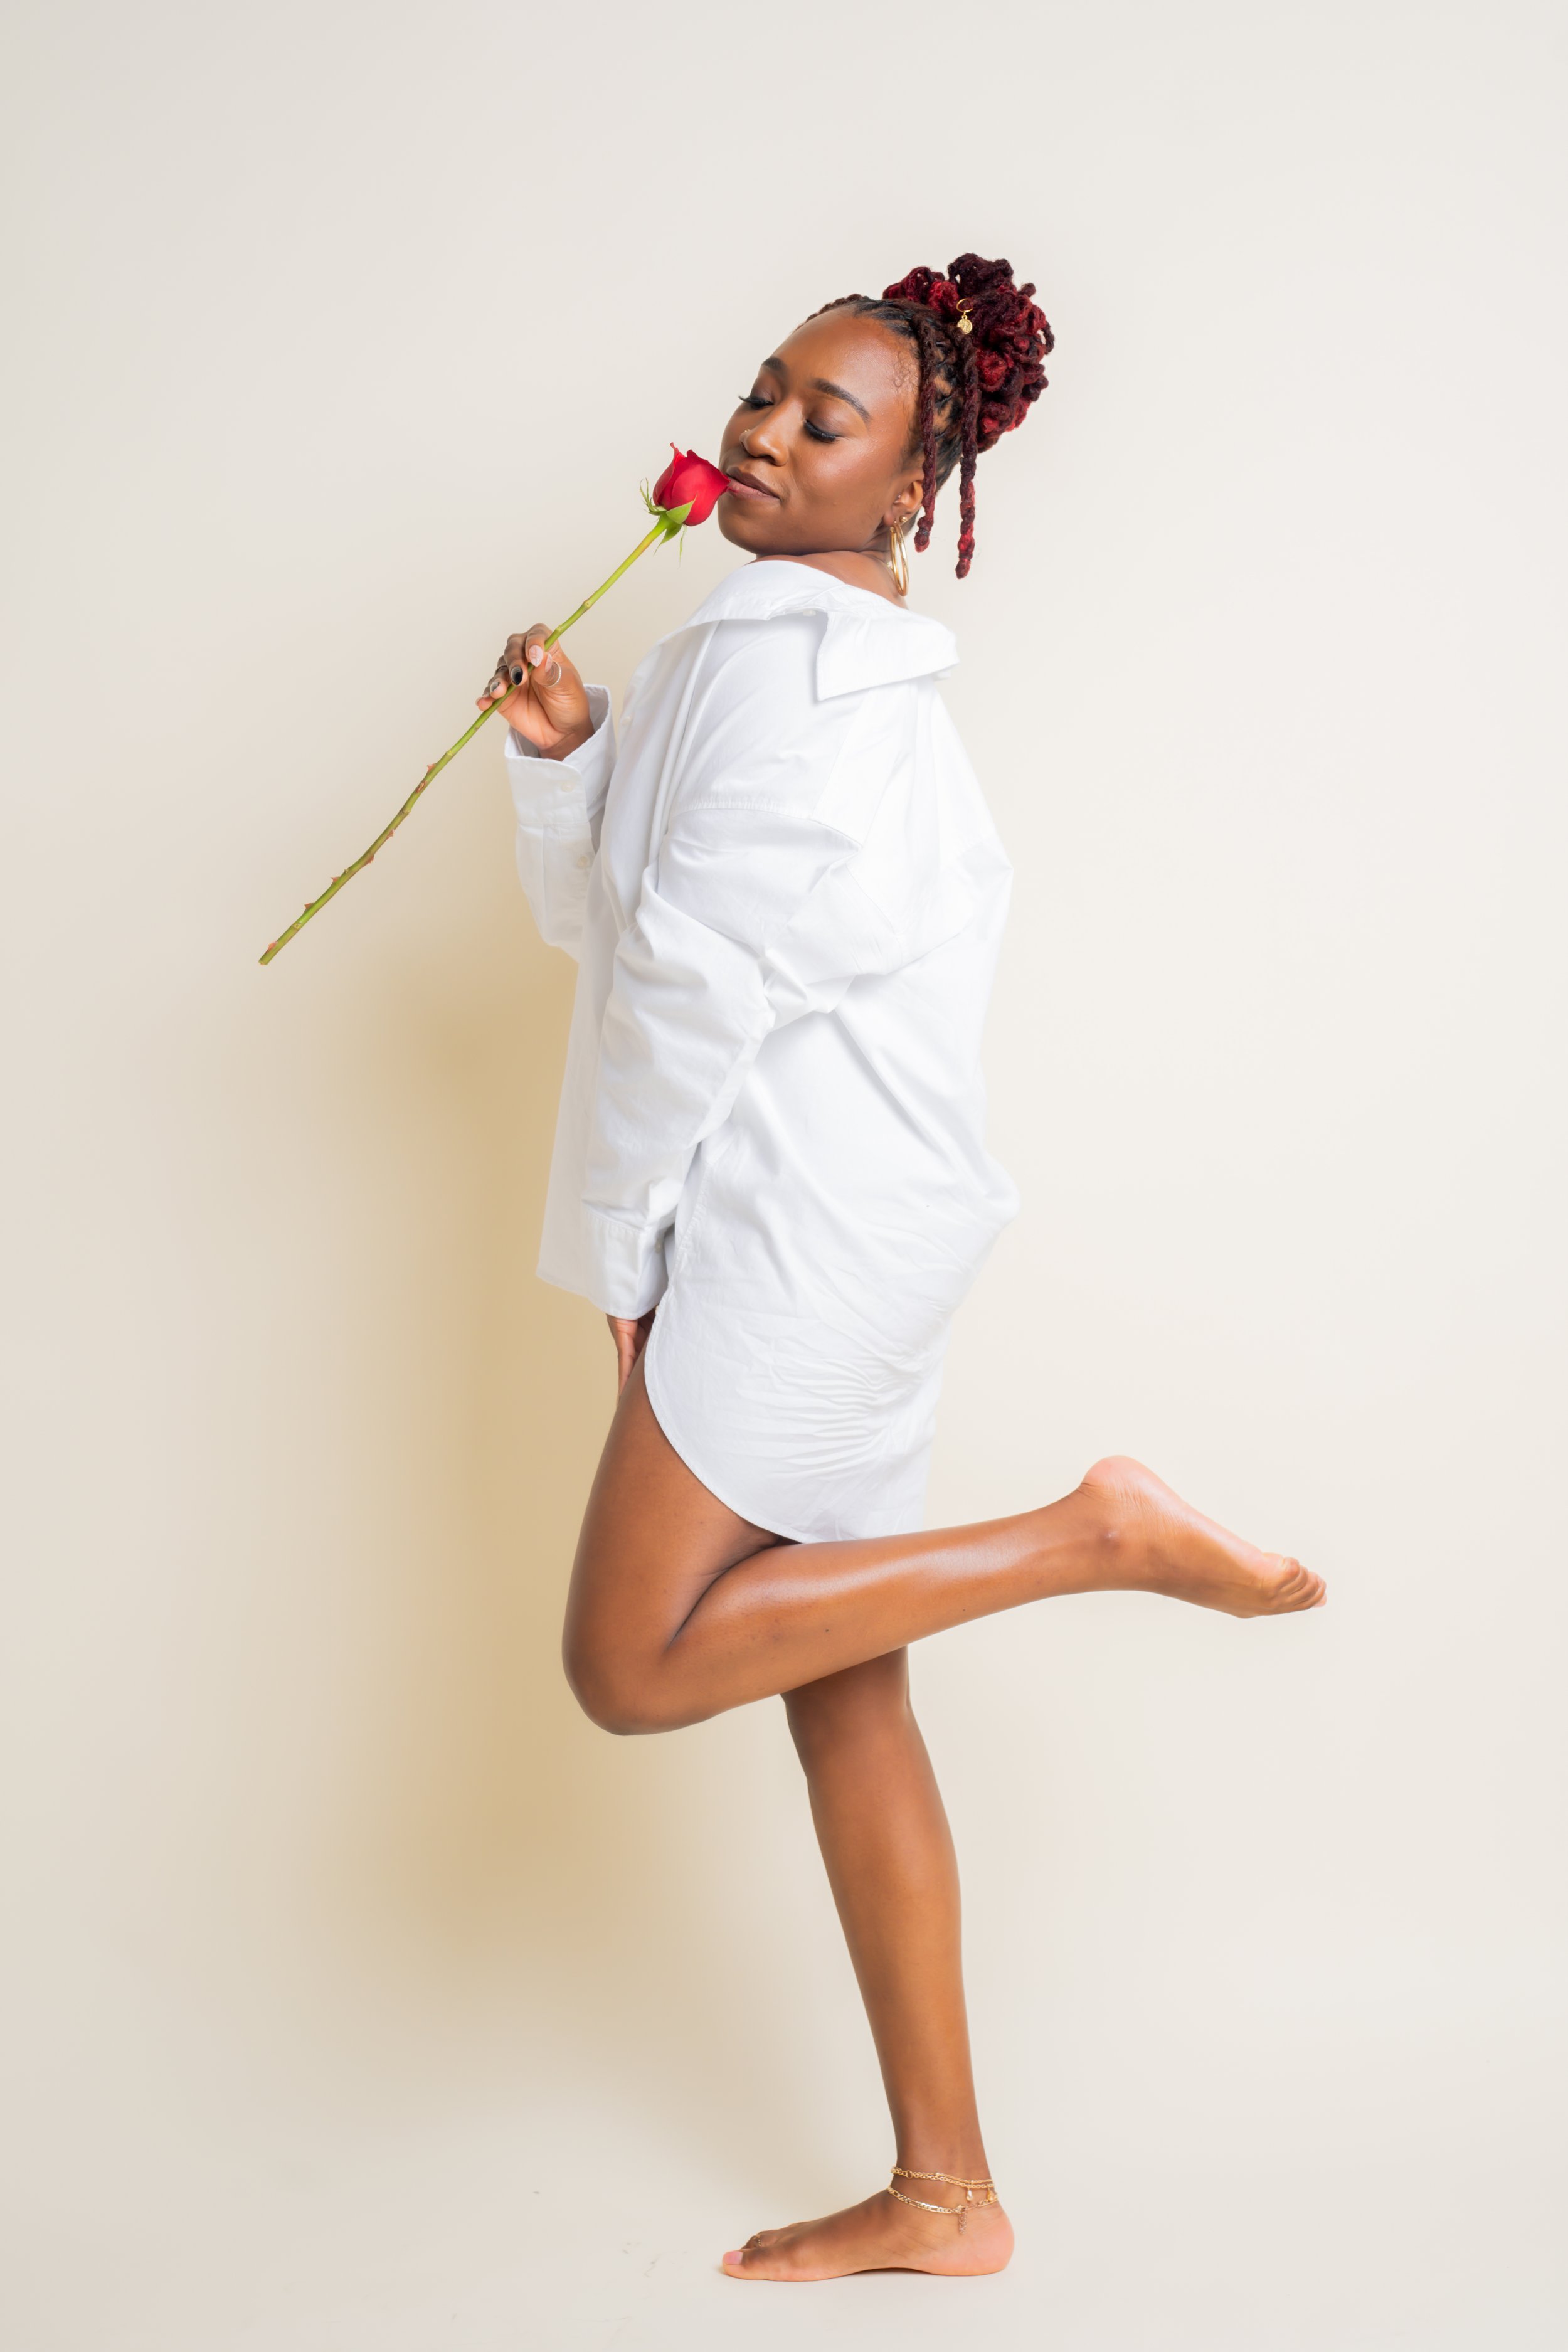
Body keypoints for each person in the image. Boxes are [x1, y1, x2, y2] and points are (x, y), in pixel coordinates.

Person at [478, 253, 1325, 2285]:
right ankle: (946, 2191)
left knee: (630, 1662)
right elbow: (622, 928)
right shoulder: (738, 649)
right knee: (846, 1698)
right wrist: (567, 758)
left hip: (793, 1231)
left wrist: (623, 1254)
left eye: (823, 419)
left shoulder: (793, 676)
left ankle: (1085, 1537)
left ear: (911, 479)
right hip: (849, 1216)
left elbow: (680, 987)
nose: (765, 433)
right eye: (763, 390)